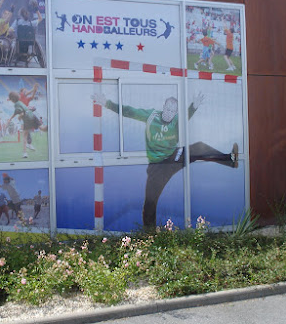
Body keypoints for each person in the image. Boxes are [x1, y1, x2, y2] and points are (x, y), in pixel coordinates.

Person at [92, 92, 239, 229]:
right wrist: (107, 104)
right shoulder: (151, 115)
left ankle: (230, 160)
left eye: (172, 111)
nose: (169, 114)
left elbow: (186, 116)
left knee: (199, 147)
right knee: (150, 200)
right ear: (163, 108)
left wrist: (193, 106)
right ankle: (149, 234)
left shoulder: (176, 120)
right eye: (167, 109)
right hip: (158, 166)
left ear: (175, 112)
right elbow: (129, 111)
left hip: (174, 157)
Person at [5, 91, 47, 158]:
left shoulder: (16, 105)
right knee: (43, 129)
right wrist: (11, 118)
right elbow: (16, 112)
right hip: (33, 116)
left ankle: (25, 153)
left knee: (24, 136)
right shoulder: (20, 103)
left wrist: (19, 117)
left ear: (11, 99)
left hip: (27, 120)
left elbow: (21, 113)